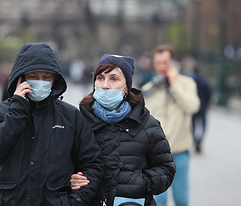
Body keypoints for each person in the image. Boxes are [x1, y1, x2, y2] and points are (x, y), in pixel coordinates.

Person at [0, 42, 104, 206]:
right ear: (20, 78)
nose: (41, 82)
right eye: (34, 76)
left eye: (46, 77)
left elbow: (92, 164)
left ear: (54, 80)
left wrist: (76, 200)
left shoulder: (70, 116)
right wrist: (17, 111)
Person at [70, 54, 176, 206]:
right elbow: (60, 164)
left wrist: (142, 183)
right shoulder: (78, 122)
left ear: (127, 86)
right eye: (100, 78)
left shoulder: (147, 124)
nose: (105, 85)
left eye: (114, 79)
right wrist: (70, 178)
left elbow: (166, 169)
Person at [141, 44, 200, 206]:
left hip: (180, 152)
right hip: (155, 155)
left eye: (165, 62)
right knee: (158, 199)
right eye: (158, 62)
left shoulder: (186, 84)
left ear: (173, 62)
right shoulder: (149, 89)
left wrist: (174, 84)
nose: (162, 67)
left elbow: (192, 106)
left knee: (181, 199)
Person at [190, 66, 213, 153]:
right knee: (203, 125)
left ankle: (195, 140)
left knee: (192, 126)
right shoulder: (204, 81)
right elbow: (209, 92)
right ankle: (199, 139)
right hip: (202, 106)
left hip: (192, 107)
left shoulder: (190, 81)